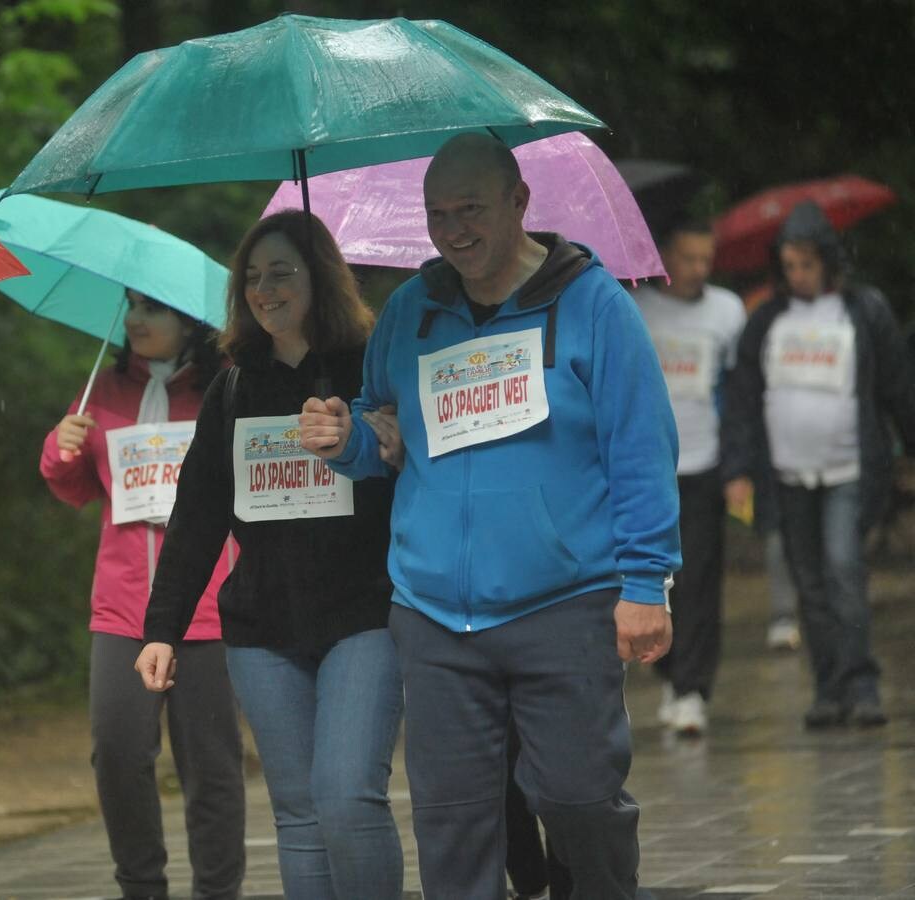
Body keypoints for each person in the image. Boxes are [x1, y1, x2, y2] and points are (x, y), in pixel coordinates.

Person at [300, 133, 679, 900]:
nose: (453, 230)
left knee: (578, 801)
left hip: (565, 602)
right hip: (435, 613)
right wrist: (348, 442)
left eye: (470, 209)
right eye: (437, 214)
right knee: (453, 827)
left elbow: (639, 449)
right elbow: (388, 435)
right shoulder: (411, 310)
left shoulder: (594, 306)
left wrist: (646, 584)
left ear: (519, 202)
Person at [135, 210, 404, 900]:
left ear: (321, 277)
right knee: (300, 815)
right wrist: (162, 628)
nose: (264, 290)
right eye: (252, 278)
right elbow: (196, 516)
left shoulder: (370, 366)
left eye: (281, 272)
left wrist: (374, 441)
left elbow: (410, 481)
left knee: (345, 796)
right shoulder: (232, 387)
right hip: (261, 631)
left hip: (363, 617)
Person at [40, 290, 245, 900]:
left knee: (210, 768)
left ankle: (217, 890)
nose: (134, 321)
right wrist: (62, 447)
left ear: (188, 321)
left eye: (151, 309)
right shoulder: (101, 390)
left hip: (205, 608)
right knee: (119, 756)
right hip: (123, 608)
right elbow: (75, 488)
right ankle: (141, 887)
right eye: (130, 307)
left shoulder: (225, 389)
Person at [723, 200, 915, 729]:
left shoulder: (864, 310)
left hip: (848, 471)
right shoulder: (768, 319)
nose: (798, 275)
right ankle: (828, 687)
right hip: (788, 475)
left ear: (828, 261)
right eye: (790, 266)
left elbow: (897, 387)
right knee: (808, 582)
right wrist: (738, 467)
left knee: (843, 569)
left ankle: (863, 683)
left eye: (807, 264)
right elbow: (742, 396)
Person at [633, 218, 746, 736]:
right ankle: (670, 674)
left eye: (707, 258)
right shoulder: (635, 309)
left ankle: (694, 688)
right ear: (664, 259)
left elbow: (741, 392)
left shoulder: (727, 311)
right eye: (689, 258)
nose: (699, 269)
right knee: (654, 582)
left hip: (703, 464)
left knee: (701, 580)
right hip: (647, 472)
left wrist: (739, 468)